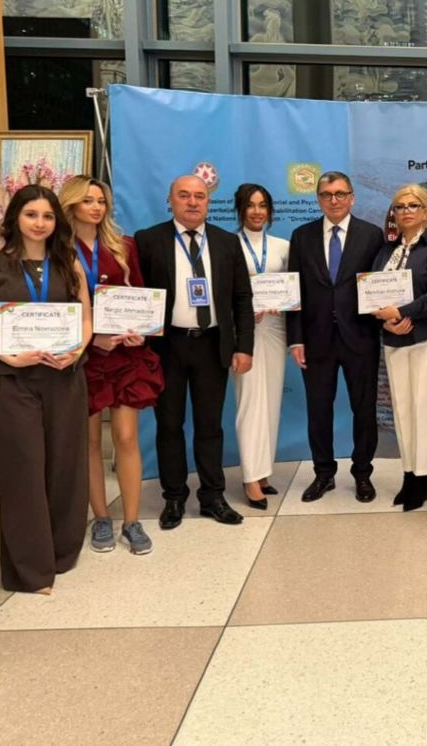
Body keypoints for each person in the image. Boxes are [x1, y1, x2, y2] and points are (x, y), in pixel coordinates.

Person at [0, 185, 93, 593]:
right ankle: (30, 569)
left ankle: (61, 552)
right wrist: (8, 355)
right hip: (13, 381)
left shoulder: (69, 263)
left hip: (64, 378)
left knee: (65, 467)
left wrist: (76, 352)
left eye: (48, 216)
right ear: (15, 218)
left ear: (57, 221)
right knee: (22, 470)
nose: (40, 223)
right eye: (31, 215)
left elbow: (86, 320)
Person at [134, 174, 255, 530]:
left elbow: (242, 298)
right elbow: (138, 294)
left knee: (210, 425)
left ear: (208, 202)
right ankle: (174, 497)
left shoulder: (227, 242)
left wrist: (244, 346)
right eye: (184, 195)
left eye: (199, 196)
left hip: (212, 344)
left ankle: (212, 496)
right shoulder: (148, 240)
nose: (192, 202)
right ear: (170, 200)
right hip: (166, 347)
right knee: (169, 424)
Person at [59, 175, 164, 556]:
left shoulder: (123, 245)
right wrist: (91, 340)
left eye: (101, 201)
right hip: (83, 356)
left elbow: (138, 296)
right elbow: (55, 307)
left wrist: (140, 333)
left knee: (125, 437)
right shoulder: (58, 251)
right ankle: (101, 517)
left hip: (125, 356)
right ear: (71, 205)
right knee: (89, 442)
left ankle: (132, 521)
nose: (96, 207)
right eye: (88, 200)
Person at [287, 171, 385, 503]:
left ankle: (363, 474)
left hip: (361, 338)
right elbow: (295, 292)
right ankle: (323, 474)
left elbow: (380, 286)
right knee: (318, 410)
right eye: (327, 194)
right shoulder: (301, 236)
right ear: (318, 199)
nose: (334, 200)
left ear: (352, 198)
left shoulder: (372, 235)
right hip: (315, 340)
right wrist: (296, 339)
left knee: (364, 410)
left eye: (341, 193)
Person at [370, 184, 427, 512]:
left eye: (413, 205)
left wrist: (402, 312)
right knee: (401, 408)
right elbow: (371, 293)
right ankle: (407, 474)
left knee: (423, 407)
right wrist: (386, 321)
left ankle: (422, 478)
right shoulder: (385, 251)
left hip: (426, 339)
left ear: (426, 212)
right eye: (400, 206)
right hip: (393, 338)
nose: (406, 211)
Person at [232, 183, 290, 510]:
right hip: (245, 332)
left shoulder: (283, 246)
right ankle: (250, 477)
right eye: (251, 205)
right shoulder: (228, 245)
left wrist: (284, 303)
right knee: (249, 402)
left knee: (270, 401)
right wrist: (239, 314)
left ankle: (263, 471)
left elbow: (292, 289)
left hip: (276, 328)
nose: (257, 211)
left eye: (263, 205)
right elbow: (223, 292)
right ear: (240, 209)